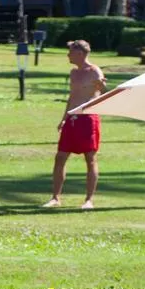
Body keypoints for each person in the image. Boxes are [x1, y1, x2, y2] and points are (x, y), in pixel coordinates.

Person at [47, 39, 107, 210]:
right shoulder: (73, 73)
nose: (68, 55)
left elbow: (102, 92)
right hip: (72, 119)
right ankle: (55, 197)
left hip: (88, 119)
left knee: (90, 159)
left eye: (71, 52)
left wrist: (102, 86)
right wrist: (64, 118)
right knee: (60, 158)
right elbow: (72, 97)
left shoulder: (94, 71)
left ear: (80, 53)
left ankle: (89, 200)